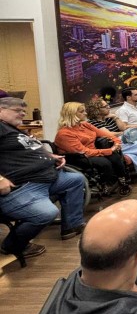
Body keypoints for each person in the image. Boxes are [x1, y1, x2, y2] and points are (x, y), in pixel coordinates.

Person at [0, 97, 85, 258]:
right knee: (46, 214)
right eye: (18, 110)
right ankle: (11, 245)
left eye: (23, 111)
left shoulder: (13, 129)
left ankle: (71, 226)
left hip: (47, 178)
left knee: (76, 180)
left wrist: (51, 156)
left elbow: (30, 148)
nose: (23, 114)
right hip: (25, 185)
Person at [55, 102, 131, 196]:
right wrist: (109, 150)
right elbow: (84, 151)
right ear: (72, 114)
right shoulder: (64, 133)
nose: (85, 113)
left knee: (115, 157)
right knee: (105, 162)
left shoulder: (85, 125)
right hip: (78, 157)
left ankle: (122, 180)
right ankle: (104, 183)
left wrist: (116, 142)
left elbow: (106, 135)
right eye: (82, 112)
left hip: (92, 151)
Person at [86, 98, 137, 181]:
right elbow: (109, 134)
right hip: (114, 143)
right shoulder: (93, 123)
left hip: (124, 138)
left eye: (108, 105)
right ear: (96, 110)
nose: (109, 107)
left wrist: (115, 117)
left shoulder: (109, 118)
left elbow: (123, 127)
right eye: (105, 106)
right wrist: (121, 133)